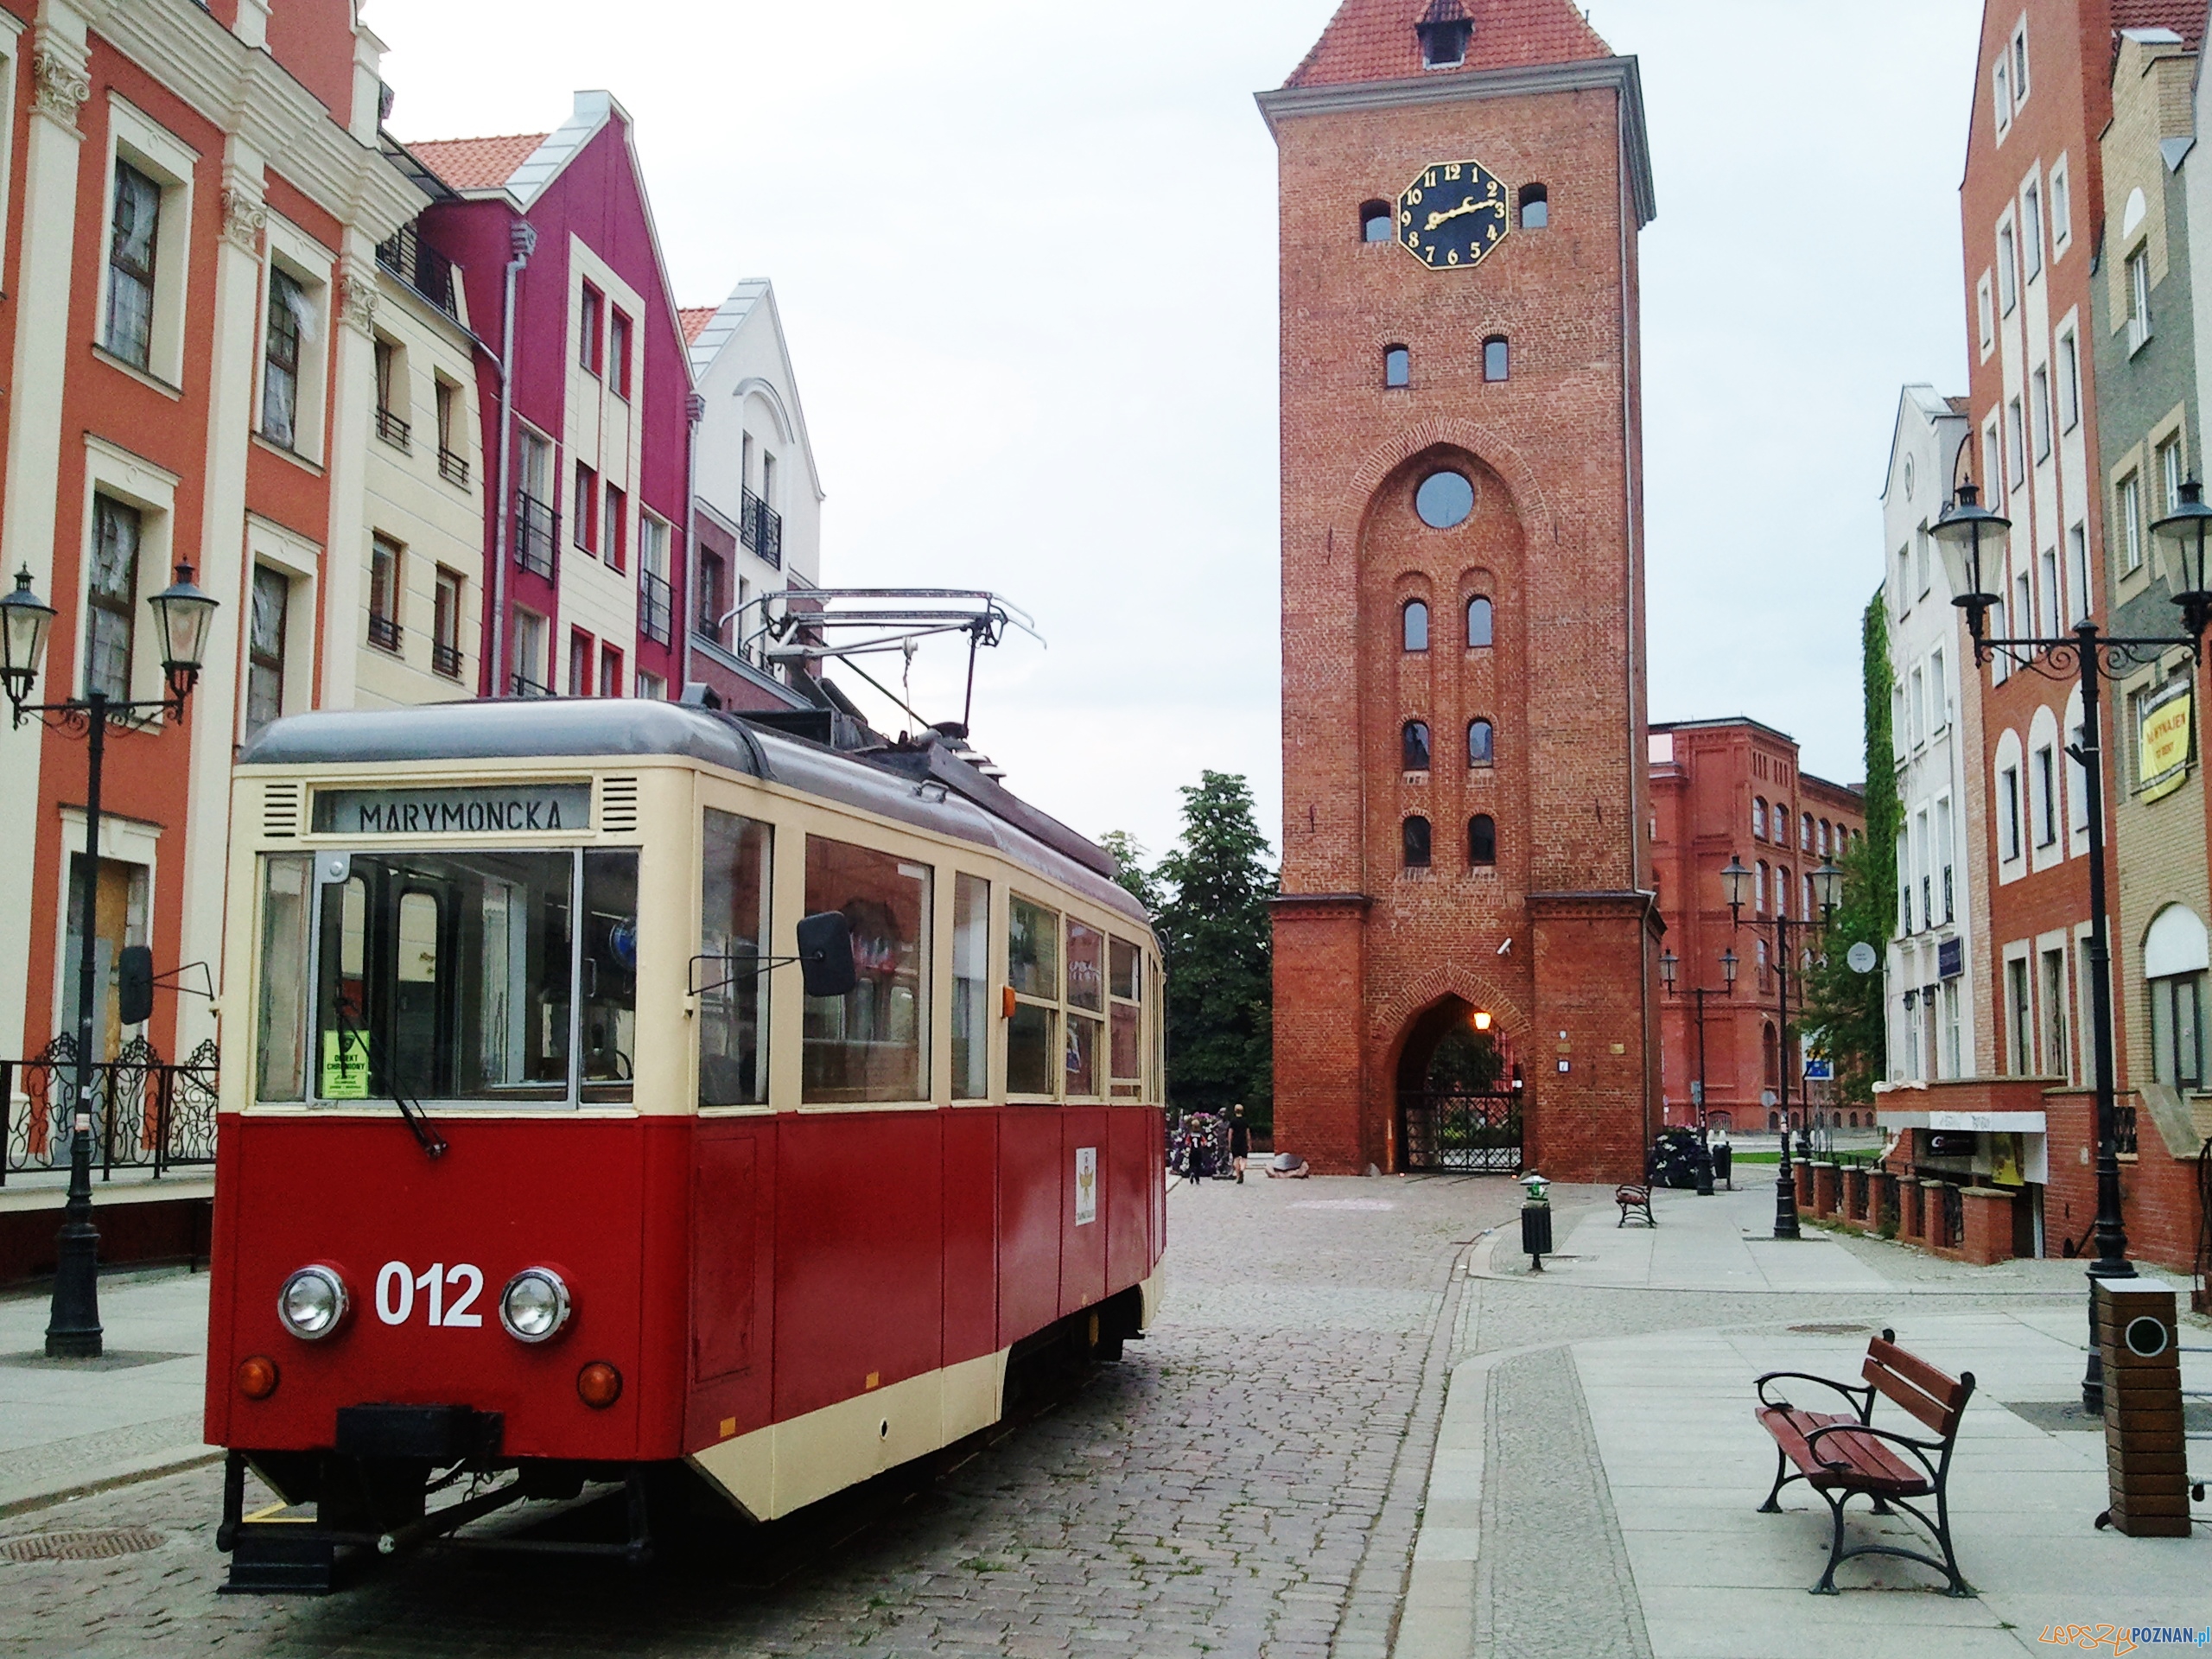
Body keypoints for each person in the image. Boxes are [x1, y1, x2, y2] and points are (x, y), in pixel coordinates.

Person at [1229, 1103, 1250, 1184]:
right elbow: (1248, 1133)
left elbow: (1230, 1133)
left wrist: (1229, 1143)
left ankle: (1238, 1176)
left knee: (1236, 1159)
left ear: (1235, 1111)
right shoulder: (1245, 1121)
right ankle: (1242, 1169)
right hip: (1243, 1141)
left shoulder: (1233, 1121)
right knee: (1244, 1159)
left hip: (1235, 1142)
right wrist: (1249, 1143)